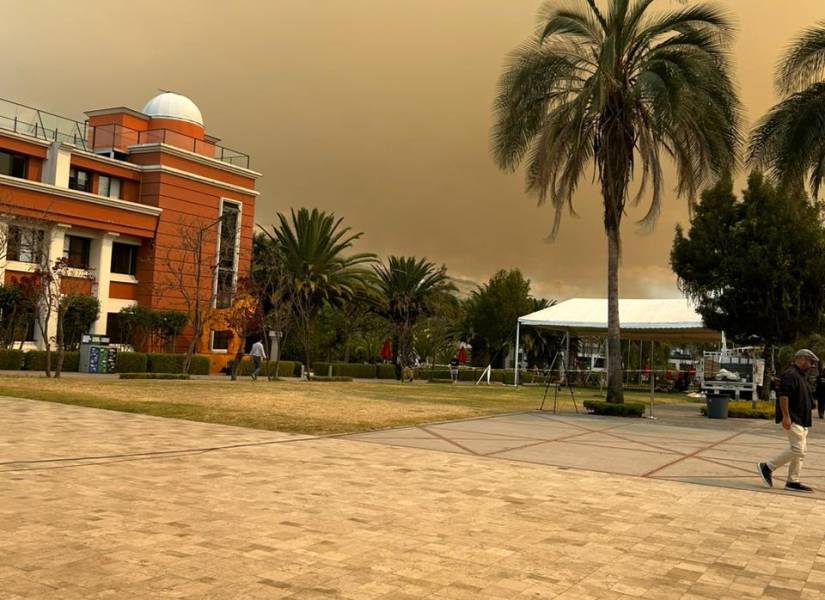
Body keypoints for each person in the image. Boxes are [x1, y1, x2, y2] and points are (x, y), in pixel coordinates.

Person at [758, 349, 819, 493]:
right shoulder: (790, 374)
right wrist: (786, 416)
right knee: (797, 449)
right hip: (793, 418)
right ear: (802, 359)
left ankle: (793, 481)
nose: (812, 366)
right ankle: (767, 467)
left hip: (802, 420)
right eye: (811, 362)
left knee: (801, 451)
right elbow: (783, 396)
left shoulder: (800, 375)